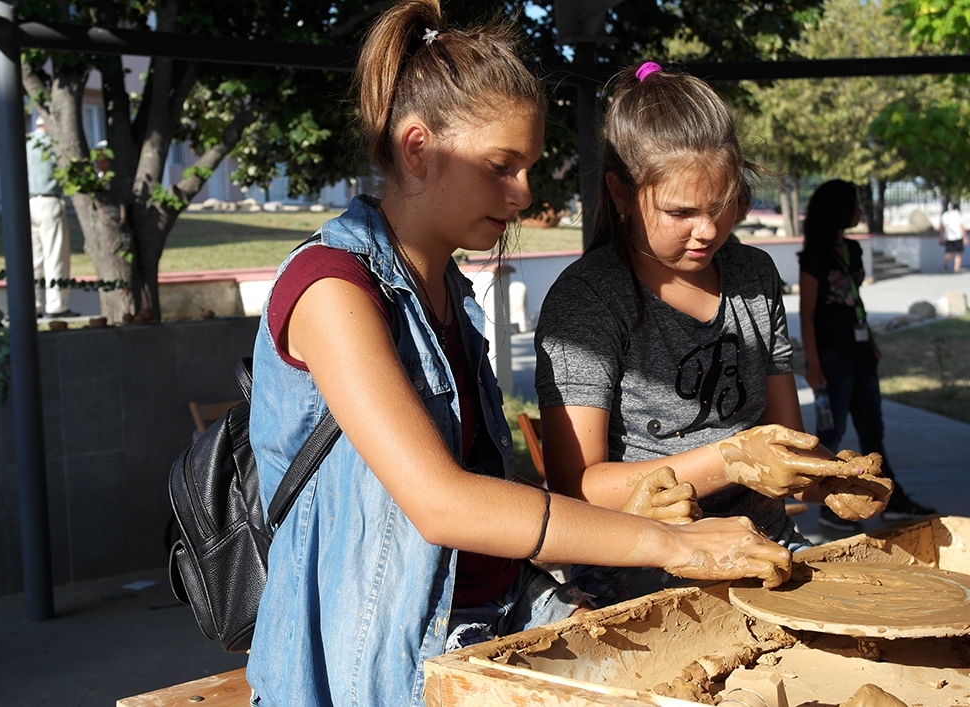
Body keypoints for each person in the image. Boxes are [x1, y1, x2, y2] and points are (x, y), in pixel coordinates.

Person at [244, 17, 792, 707]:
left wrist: (631, 511)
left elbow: (496, 525)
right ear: (418, 148)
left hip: (495, 615)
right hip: (382, 660)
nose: (526, 192)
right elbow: (444, 504)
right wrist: (666, 542)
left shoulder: (448, 293)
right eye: (502, 166)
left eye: (528, 167)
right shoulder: (331, 289)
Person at [534, 62, 892, 608]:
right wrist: (730, 458)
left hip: (766, 547)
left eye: (721, 206)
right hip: (639, 567)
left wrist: (829, 477)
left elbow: (786, 438)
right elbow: (576, 487)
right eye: (682, 212)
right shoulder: (589, 299)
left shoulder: (754, 277)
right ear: (622, 192)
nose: (707, 231)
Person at [799, 179, 936, 532]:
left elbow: (856, 301)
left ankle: (890, 498)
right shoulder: (815, 255)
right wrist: (813, 364)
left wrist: (870, 340)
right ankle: (831, 503)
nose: (861, 211)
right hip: (833, 357)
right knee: (831, 433)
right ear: (838, 210)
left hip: (860, 353)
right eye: (855, 205)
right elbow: (808, 314)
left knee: (873, 430)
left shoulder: (854, 250)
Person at [26, 115, 77, 318]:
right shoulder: (53, 144)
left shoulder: (27, 142)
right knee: (55, 256)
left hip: (29, 203)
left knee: (33, 259)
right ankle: (57, 305)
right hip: (49, 201)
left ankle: (33, 304)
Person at [940, 201, 966, 273]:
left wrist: (941, 237)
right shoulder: (958, 214)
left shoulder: (945, 215)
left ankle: (945, 265)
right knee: (958, 253)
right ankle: (956, 269)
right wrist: (965, 237)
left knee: (948, 252)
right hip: (958, 236)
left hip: (948, 237)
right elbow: (961, 226)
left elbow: (942, 227)